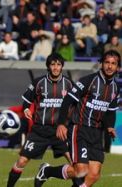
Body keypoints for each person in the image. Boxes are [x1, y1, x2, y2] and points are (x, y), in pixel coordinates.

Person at [34, 50, 121, 187]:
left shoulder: (116, 88)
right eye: (107, 63)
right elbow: (67, 100)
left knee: (93, 175)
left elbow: (110, 111)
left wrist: (110, 126)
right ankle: (47, 171)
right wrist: (61, 123)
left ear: (118, 67)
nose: (110, 66)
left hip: (97, 133)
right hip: (79, 129)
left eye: (113, 64)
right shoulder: (88, 81)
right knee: (81, 171)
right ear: (101, 64)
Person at [7, 53, 73, 187]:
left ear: (62, 67)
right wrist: (26, 109)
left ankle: (46, 171)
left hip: (60, 131)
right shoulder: (38, 82)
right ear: (48, 66)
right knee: (22, 161)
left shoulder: (69, 84)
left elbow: (75, 104)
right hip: (39, 130)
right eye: (53, 64)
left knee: (76, 165)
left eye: (58, 65)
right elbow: (26, 100)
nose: (55, 67)